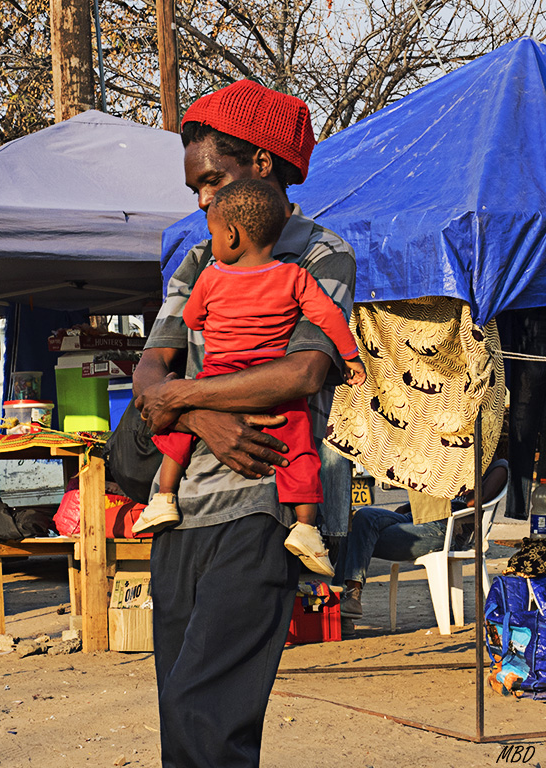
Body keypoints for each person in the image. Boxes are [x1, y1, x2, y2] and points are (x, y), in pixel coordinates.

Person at [131, 79, 357, 768]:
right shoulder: (198, 259)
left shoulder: (321, 255)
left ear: (262, 164)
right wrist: (198, 416)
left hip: (264, 504)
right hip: (181, 515)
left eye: (212, 180)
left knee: (211, 710)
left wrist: (187, 399)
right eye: (196, 187)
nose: (201, 201)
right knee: (180, 714)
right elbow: (148, 374)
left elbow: (303, 373)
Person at [132, 179, 366, 579]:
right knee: (301, 453)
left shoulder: (209, 275)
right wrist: (351, 359)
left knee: (176, 437)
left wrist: (204, 328)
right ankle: (307, 527)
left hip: (218, 373)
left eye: (212, 233)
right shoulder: (295, 277)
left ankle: (164, 498)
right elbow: (328, 318)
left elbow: (190, 319)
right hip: (269, 382)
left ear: (233, 235)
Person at [339, 455, 509, 619]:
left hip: (444, 530)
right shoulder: (457, 460)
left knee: (357, 536)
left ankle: (351, 597)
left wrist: (461, 478)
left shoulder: (498, 467)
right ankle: (345, 603)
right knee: (362, 517)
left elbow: (474, 501)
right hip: (418, 518)